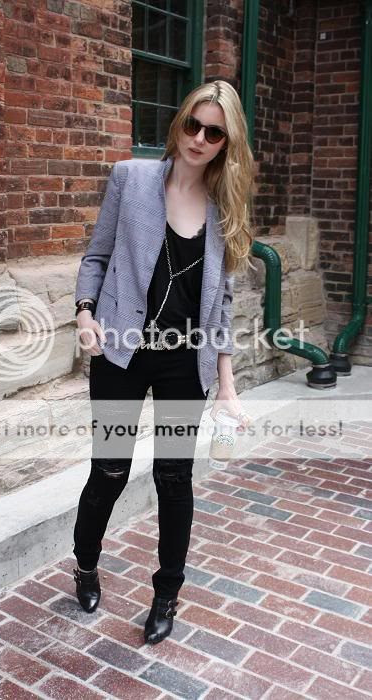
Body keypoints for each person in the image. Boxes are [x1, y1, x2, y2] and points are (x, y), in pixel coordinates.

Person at [72, 80, 254, 644]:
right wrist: (84, 314)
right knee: (110, 470)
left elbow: (221, 306)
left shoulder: (225, 209)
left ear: (226, 143)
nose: (199, 139)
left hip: (184, 363)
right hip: (121, 353)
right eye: (193, 125)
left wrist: (227, 387)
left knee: (174, 478)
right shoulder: (130, 178)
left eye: (214, 132)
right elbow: (96, 256)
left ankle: (167, 593)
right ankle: (85, 564)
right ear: (179, 124)